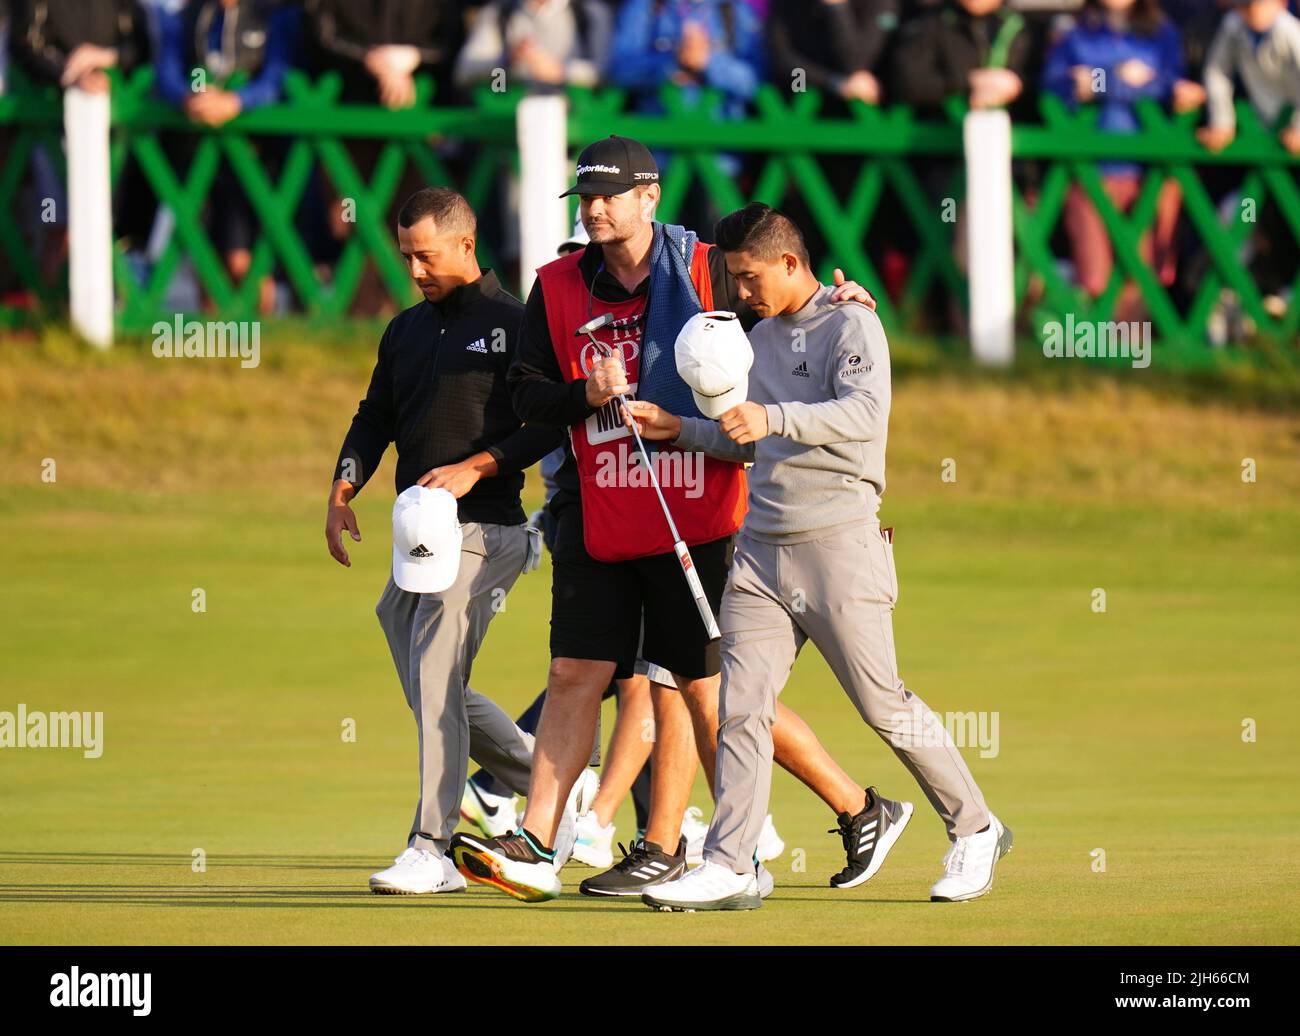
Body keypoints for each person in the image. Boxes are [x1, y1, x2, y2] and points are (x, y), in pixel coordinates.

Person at [448, 135, 885, 904]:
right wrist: (583, 393)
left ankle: (751, 842)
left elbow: (784, 297)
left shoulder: (711, 265)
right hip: (596, 506)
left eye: (610, 195)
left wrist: (839, 304)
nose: (594, 210)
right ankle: (539, 842)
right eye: (585, 198)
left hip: (705, 511)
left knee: (704, 686)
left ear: (650, 197)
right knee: (574, 672)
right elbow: (526, 399)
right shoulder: (554, 287)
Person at [623, 203, 1011, 911]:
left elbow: (863, 413)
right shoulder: (757, 339)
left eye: (748, 278)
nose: (741, 293)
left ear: (790, 264)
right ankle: (732, 861)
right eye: (733, 279)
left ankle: (977, 828)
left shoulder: (851, 322)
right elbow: (748, 443)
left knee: (882, 704)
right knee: (741, 706)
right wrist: (684, 429)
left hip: (840, 545)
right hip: (762, 552)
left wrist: (773, 416)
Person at [324, 186, 565, 896]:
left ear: (466, 243)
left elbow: (547, 425)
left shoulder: (515, 324)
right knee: (431, 674)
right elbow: (375, 418)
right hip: (419, 535)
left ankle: (433, 847)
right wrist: (343, 487)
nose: (416, 271)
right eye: (406, 258)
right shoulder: (403, 330)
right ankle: (556, 789)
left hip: (490, 530)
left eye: (425, 256)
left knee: (435, 677)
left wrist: (477, 466)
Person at [1042, 0, 1204, 317]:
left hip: (1148, 171)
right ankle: (1099, 352)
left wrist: (1099, 81)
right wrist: (1121, 79)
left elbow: (1172, 87)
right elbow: (1055, 86)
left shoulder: (1163, 32)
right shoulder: (1076, 33)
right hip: (1091, 171)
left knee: (1141, 273)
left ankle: (1131, 355)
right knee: (1094, 272)